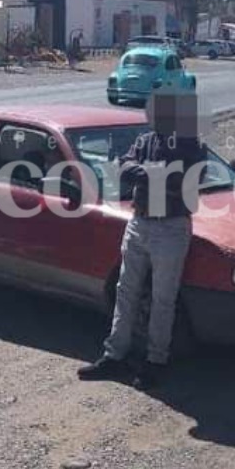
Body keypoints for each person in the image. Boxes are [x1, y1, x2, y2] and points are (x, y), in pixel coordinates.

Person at [78, 91, 204, 390]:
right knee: (126, 291)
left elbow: (182, 179)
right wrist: (152, 173)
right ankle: (114, 355)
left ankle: (155, 361)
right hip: (139, 223)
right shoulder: (145, 141)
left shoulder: (190, 144)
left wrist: (147, 173)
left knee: (162, 299)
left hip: (170, 228)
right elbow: (123, 166)